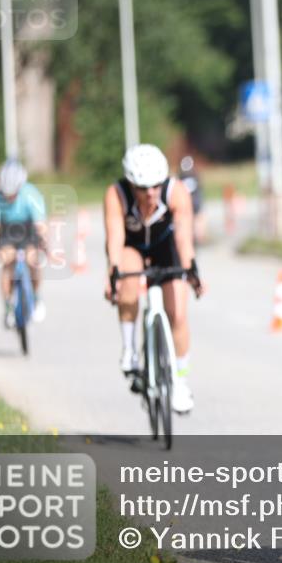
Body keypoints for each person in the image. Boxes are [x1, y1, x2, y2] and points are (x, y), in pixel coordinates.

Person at [103, 144, 204, 414]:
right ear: (131, 184)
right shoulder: (116, 194)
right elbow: (115, 236)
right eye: (142, 188)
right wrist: (113, 273)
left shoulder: (176, 192)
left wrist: (191, 270)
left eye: (155, 186)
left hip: (165, 246)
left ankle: (180, 381)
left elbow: (183, 237)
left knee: (178, 313)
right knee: (128, 280)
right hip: (132, 246)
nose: (150, 193)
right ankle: (129, 350)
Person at [0, 160, 48, 327]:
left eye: (13, 194)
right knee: (7, 263)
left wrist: (44, 244)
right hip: (6, 230)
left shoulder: (31, 194)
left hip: (28, 229)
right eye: (6, 194)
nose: (9, 197)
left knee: (33, 259)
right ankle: (8, 307)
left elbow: (40, 225)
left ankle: (36, 296)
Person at [178, 155, 206, 244]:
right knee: (197, 220)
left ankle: (193, 237)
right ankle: (198, 238)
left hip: (188, 202)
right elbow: (200, 188)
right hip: (194, 201)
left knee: (190, 220)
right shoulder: (195, 174)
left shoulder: (181, 176)